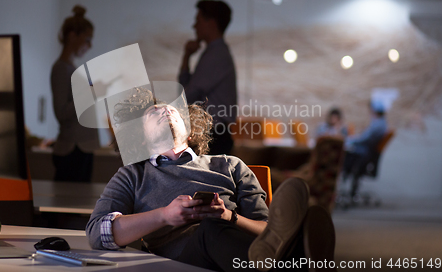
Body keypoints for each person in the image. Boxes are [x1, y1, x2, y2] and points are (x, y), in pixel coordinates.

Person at [86, 87, 336, 272]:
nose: (165, 111)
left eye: (172, 111)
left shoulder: (230, 164)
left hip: (234, 250)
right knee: (209, 228)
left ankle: (283, 261)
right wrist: (164, 215)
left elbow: (267, 230)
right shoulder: (132, 175)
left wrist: (230, 216)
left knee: (218, 226)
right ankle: (297, 260)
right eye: (154, 113)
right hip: (180, 261)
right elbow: (98, 232)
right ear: (140, 138)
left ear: (190, 129)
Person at [179, 0, 237, 155]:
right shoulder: (215, 54)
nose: (194, 26)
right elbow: (187, 89)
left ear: (211, 22)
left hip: (213, 135)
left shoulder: (216, 55)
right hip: (213, 133)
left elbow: (189, 94)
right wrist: (187, 57)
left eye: (198, 20)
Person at [50, 5, 100, 182]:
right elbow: (61, 112)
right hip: (73, 149)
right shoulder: (61, 69)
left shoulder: (69, 68)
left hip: (80, 148)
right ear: (72, 36)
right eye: (87, 39)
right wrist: (90, 93)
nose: (89, 45)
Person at [342, 100, 388, 198]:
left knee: (345, 152)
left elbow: (363, 139)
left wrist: (350, 140)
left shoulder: (377, 124)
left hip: (364, 153)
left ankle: (345, 175)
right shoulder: (381, 123)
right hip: (366, 152)